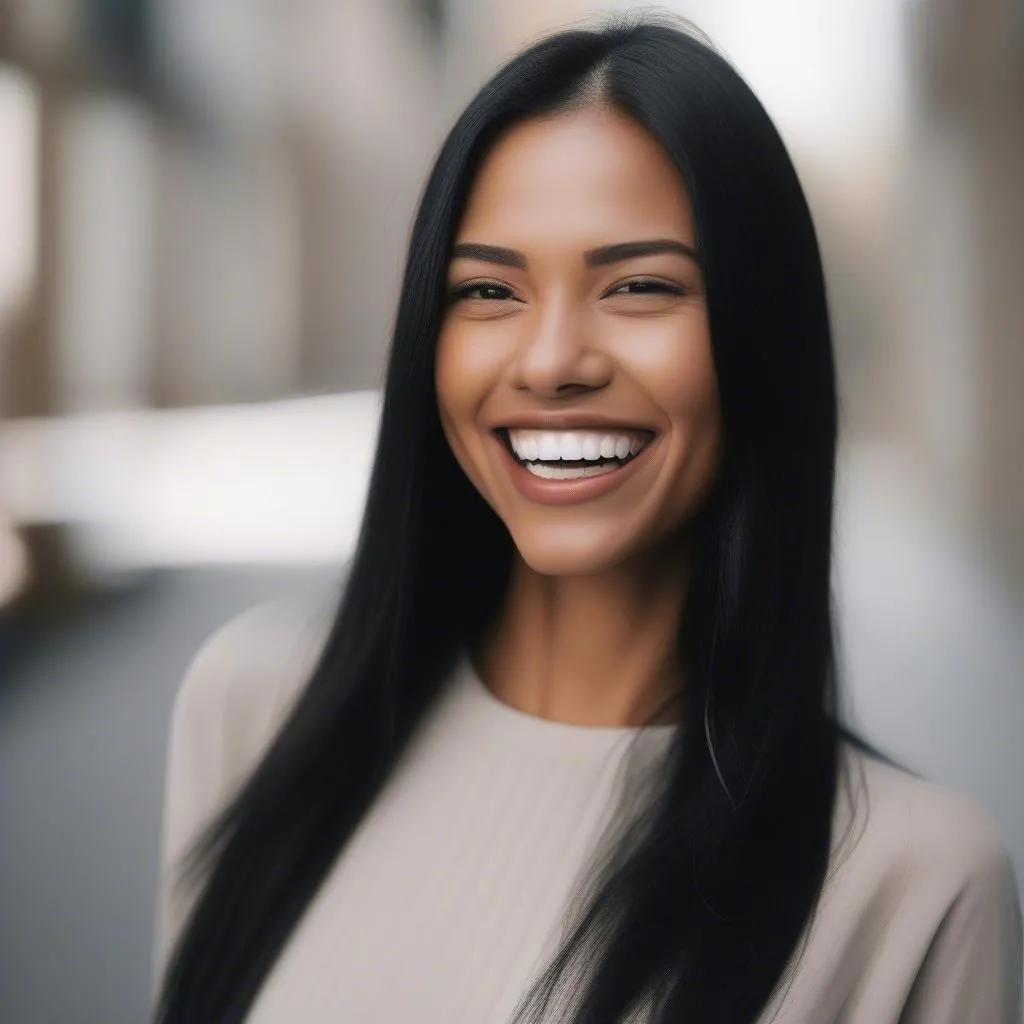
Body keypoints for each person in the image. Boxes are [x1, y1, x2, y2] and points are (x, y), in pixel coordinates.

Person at [152, 15, 1023, 1024]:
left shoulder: (912, 882)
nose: (550, 359)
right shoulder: (253, 712)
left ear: (759, 334)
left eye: (639, 286)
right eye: (487, 289)